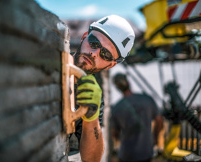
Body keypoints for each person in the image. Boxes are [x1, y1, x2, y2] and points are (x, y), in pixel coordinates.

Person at [69, 15, 135, 162]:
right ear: (84, 37)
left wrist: (91, 118)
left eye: (105, 54)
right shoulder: (51, 62)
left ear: (110, 65)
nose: (94, 53)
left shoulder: (94, 96)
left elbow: (92, 159)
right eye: (94, 43)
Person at [111, 73, 163, 162]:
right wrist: (155, 139)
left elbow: (114, 133)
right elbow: (159, 121)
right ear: (128, 82)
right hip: (146, 152)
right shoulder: (147, 99)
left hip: (126, 154)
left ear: (117, 87)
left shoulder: (117, 108)